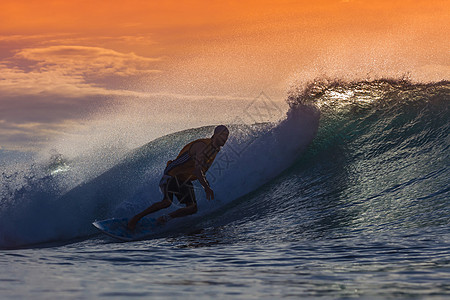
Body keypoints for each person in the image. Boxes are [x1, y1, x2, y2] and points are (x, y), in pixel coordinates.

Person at [127, 125, 229, 230]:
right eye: (223, 135)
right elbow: (197, 170)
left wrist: (205, 182)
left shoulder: (214, 149)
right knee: (166, 202)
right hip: (173, 174)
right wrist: (206, 187)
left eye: (227, 136)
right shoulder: (203, 146)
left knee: (192, 208)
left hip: (184, 178)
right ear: (216, 135)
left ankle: (163, 219)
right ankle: (135, 219)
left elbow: (199, 169)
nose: (225, 138)